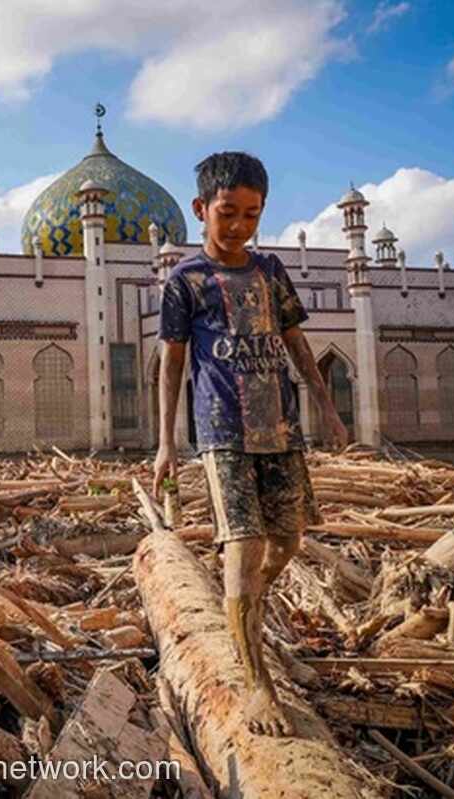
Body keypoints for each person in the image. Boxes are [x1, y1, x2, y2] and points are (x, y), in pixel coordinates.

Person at [152, 151, 349, 737]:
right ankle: (257, 687)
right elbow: (171, 365)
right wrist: (166, 443)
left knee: (285, 542)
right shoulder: (185, 281)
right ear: (200, 209)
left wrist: (327, 411)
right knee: (243, 547)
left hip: (281, 430)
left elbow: (296, 345)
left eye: (251, 214)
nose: (239, 225)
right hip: (224, 433)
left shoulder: (270, 272)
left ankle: (242, 602)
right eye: (227, 212)